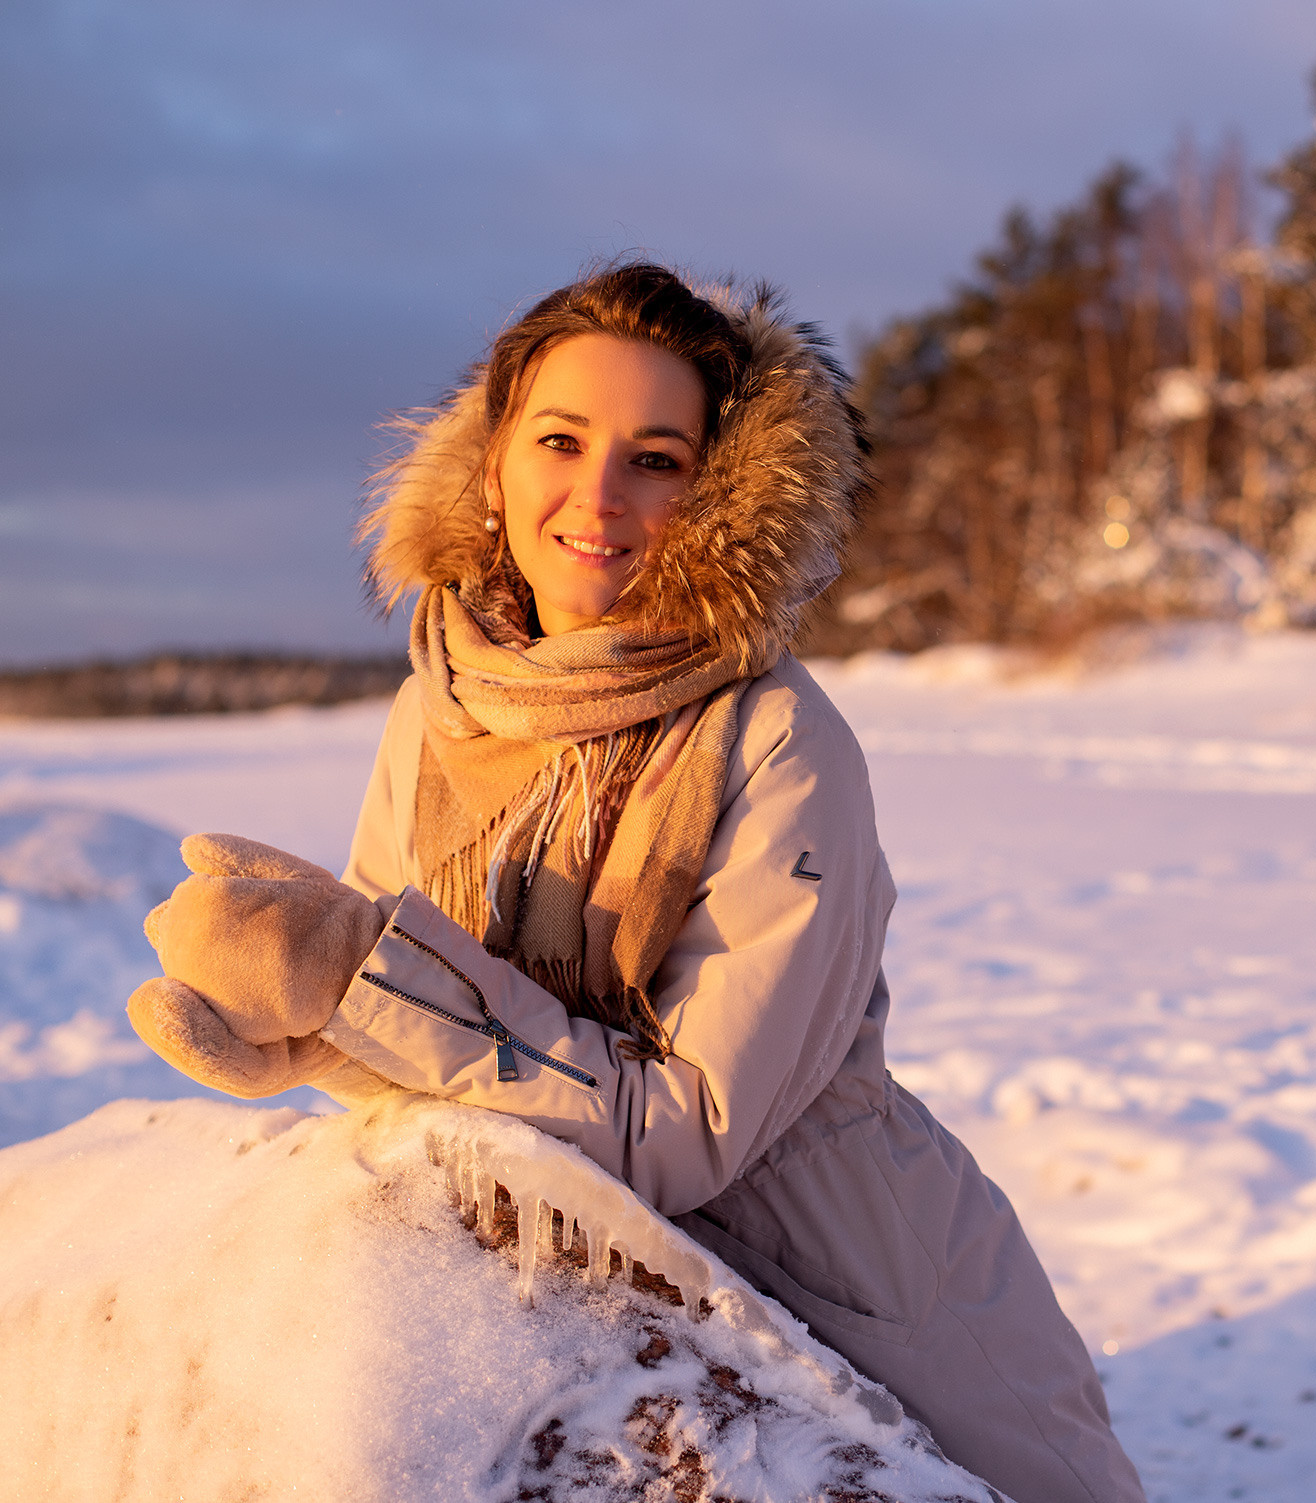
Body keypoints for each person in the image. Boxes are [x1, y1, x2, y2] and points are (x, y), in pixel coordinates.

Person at [128, 262, 1147, 1503]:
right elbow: (436, 1036)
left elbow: (681, 1134)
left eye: (656, 459)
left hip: (838, 1283)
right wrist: (312, 1028)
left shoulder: (773, 735)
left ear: (715, 496)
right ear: (493, 464)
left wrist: (359, 977)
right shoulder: (435, 709)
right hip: (546, 1275)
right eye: (560, 439)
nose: (598, 495)